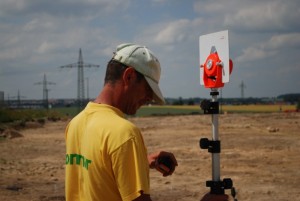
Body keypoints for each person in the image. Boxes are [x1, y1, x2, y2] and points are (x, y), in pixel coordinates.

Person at [65, 43, 227, 201]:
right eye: (148, 89)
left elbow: (98, 172)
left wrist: (139, 162)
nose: (150, 98)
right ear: (129, 76)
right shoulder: (124, 133)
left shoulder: (75, 124)